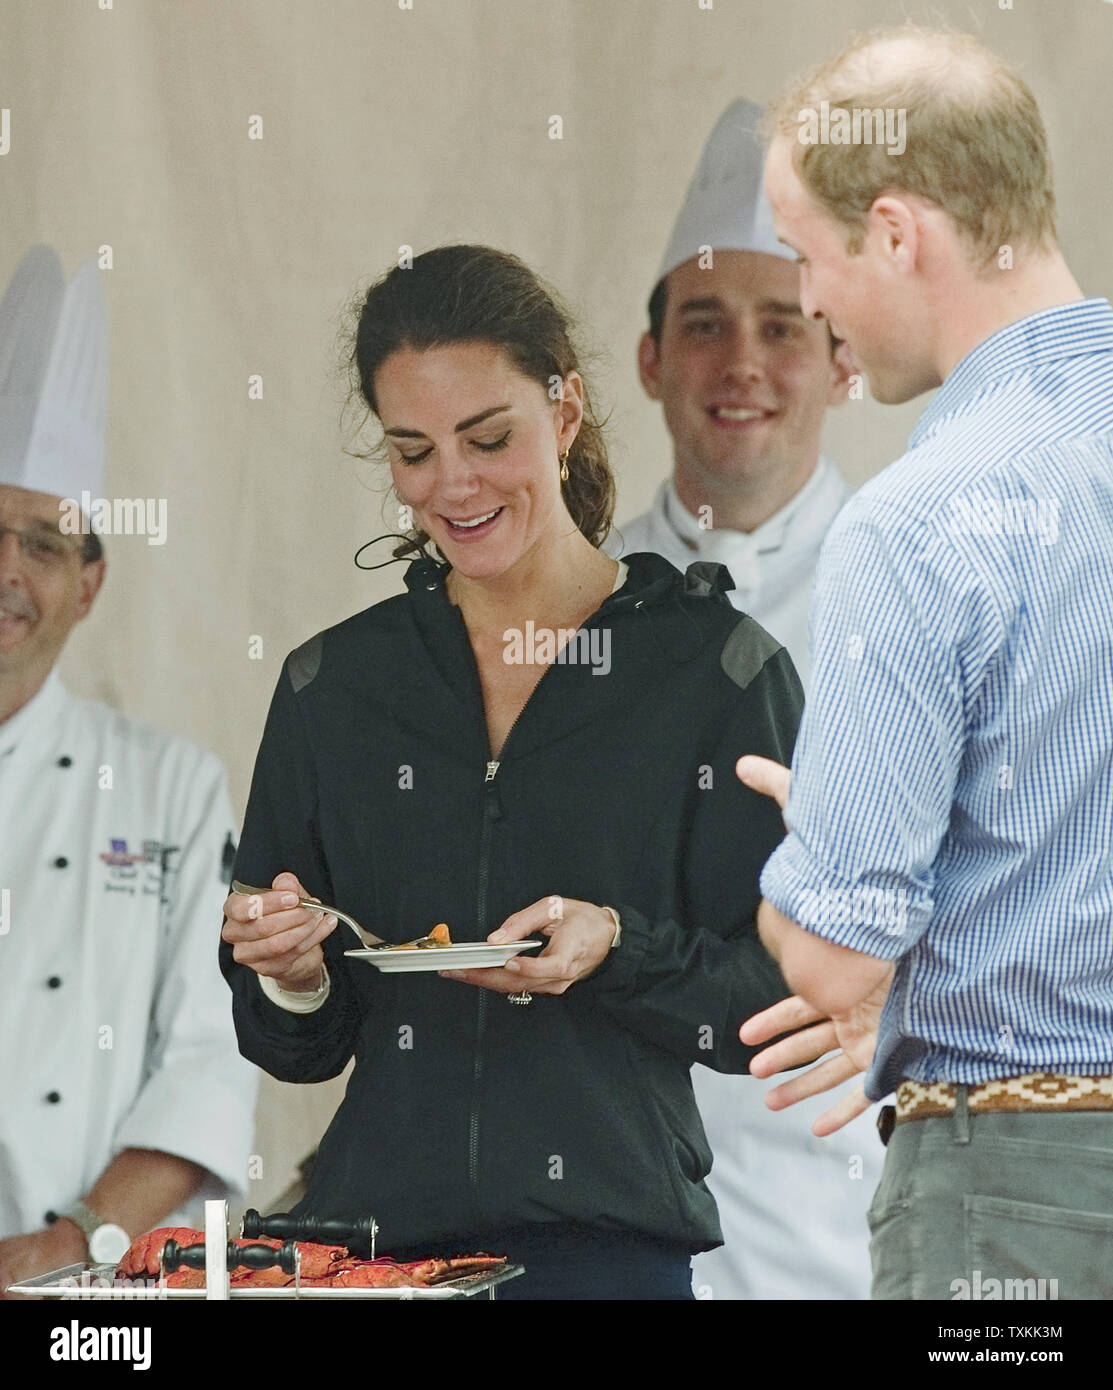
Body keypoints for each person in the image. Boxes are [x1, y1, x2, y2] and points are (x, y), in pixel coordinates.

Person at [219, 244, 802, 1300]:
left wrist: (615, 947)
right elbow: (295, 1046)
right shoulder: (332, 687)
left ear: (566, 409)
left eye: (489, 438)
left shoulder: (712, 671)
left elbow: (774, 997)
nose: (454, 484)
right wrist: (290, 970)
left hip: (605, 1262)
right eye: (413, 450)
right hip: (376, 1260)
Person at [737, 26, 1113, 1300]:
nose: (807, 301)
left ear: (896, 234)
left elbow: (836, 955)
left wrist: (823, 859)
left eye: (806, 252)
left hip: (1021, 1201)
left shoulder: (917, 516)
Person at [610, 99, 878, 1300]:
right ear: (653, 359)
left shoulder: (937, 595)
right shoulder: (567, 613)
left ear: (844, 360)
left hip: (846, 1215)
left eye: (785, 325)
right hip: (608, 1205)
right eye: (706, 324)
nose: (745, 365)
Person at [0, 246, 258, 1294]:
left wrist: (67, 1245)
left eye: (44, 544)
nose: (8, 572)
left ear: (90, 583)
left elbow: (214, 1053)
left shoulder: (173, 790)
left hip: (102, 1291)